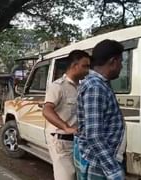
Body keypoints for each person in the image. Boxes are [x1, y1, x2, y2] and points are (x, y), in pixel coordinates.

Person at [74, 39, 126, 180]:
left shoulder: (99, 84)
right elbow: (94, 135)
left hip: (102, 160)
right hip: (99, 164)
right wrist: (113, 171)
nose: (121, 66)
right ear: (113, 61)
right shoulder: (95, 87)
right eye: (121, 61)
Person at [42, 50, 90, 180]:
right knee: (66, 176)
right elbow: (47, 110)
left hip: (79, 141)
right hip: (61, 140)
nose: (88, 70)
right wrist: (65, 127)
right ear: (75, 66)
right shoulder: (57, 86)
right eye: (85, 66)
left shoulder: (82, 87)